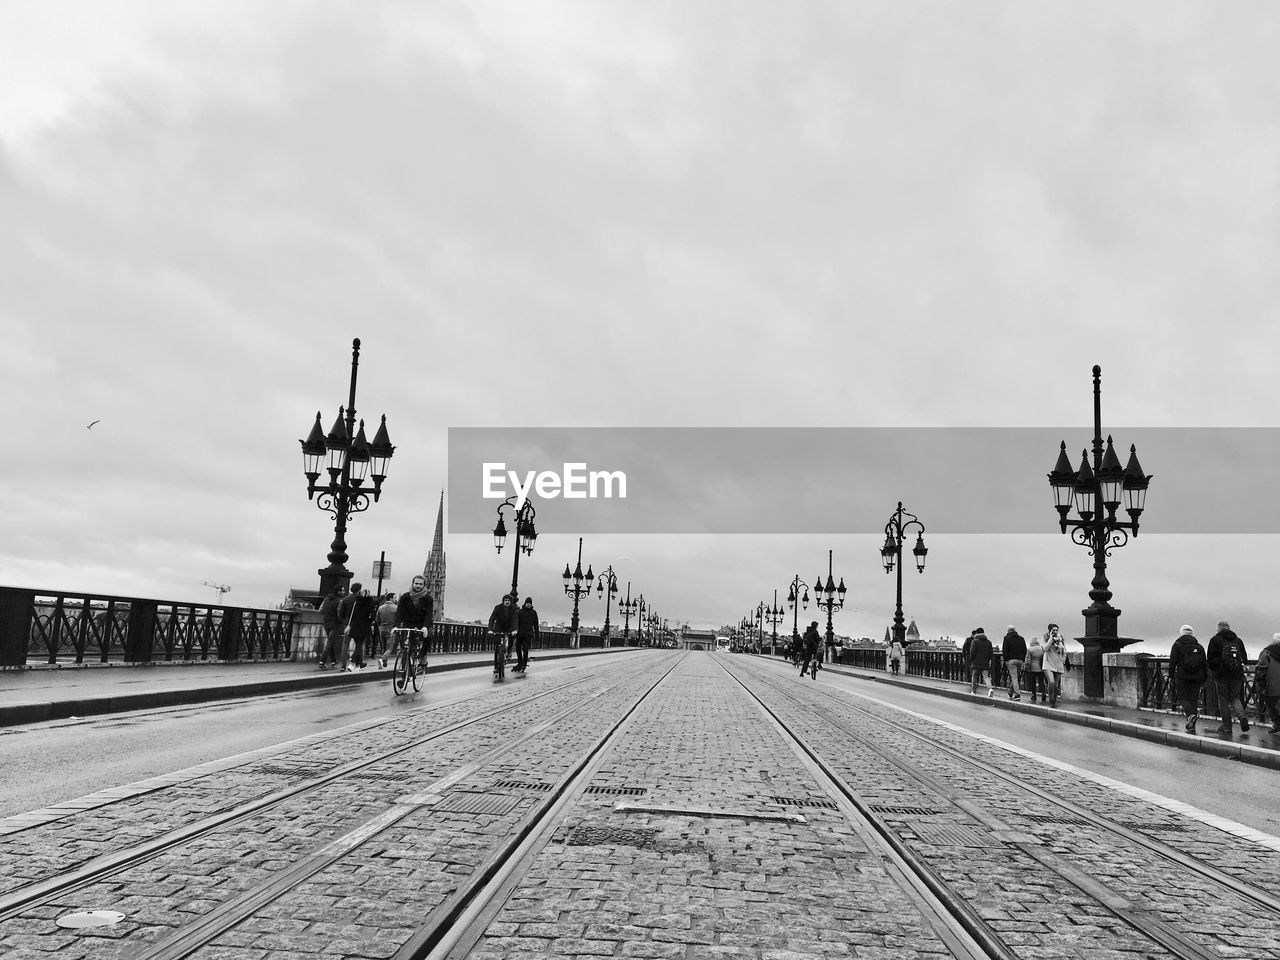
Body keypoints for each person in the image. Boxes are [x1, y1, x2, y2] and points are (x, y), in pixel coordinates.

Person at [1207, 620, 1250, 735]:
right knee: (1235, 697)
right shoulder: (1238, 640)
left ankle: (1227, 726)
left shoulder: (1214, 640)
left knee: (1223, 700)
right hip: (1236, 675)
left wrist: (1215, 670)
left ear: (1218, 629)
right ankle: (1242, 716)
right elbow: (1244, 659)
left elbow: (1210, 659)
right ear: (1229, 628)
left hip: (1221, 675)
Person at [1169, 624, 1208, 734]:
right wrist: (1205, 678)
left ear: (1181, 633)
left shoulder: (1177, 645)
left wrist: (1171, 676)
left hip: (1182, 676)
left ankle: (1190, 715)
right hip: (1197, 677)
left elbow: (1172, 662)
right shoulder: (1199, 646)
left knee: (1182, 697)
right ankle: (1192, 725)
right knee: (1193, 699)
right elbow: (1204, 664)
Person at [394, 575, 434, 669]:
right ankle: (404, 672)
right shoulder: (405, 597)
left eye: (420, 584)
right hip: (409, 624)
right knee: (407, 648)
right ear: (412, 584)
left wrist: (425, 627)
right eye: (416, 583)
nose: (418, 586)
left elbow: (429, 614)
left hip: (422, 624)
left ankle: (422, 655)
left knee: (429, 636)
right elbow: (399, 612)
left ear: (424, 586)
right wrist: (396, 626)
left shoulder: (428, 599)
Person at [337, 582, 376, 671]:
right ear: (359, 590)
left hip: (348, 624)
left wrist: (345, 621)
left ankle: (343, 665)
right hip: (358, 624)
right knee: (359, 644)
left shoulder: (345, 600)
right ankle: (359, 662)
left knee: (345, 644)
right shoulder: (360, 599)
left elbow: (341, 613)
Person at [1253, 633, 1280, 735]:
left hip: (1270, 684)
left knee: (1270, 704)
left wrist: (1260, 683)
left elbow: (1261, 668)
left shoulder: (1267, 652)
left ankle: (1277, 723)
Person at [317, 584, 347, 670]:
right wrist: (342, 621)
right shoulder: (340, 601)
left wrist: (328, 615)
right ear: (339, 591)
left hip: (326, 623)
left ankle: (334, 660)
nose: (344, 592)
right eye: (343, 590)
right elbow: (339, 613)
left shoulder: (326, 598)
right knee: (330, 642)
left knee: (331, 642)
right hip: (335, 624)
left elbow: (320, 610)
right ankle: (322, 661)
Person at [487, 593, 518, 678]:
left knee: (511, 639)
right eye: (505, 600)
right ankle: (496, 667)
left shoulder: (513, 609)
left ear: (510, 602)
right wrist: (490, 629)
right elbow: (492, 618)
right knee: (497, 648)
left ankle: (508, 652)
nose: (507, 602)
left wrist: (514, 630)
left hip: (509, 628)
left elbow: (515, 620)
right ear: (503, 601)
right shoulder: (497, 608)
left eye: (508, 600)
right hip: (499, 628)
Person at [1042, 624, 1067, 707]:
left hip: (1058, 663)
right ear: (1050, 631)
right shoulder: (1045, 637)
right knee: (1051, 682)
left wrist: (1063, 659)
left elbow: (1064, 650)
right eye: (1053, 630)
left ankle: (1054, 700)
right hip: (1048, 663)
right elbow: (1045, 649)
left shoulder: (1061, 638)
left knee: (1056, 685)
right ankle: (1051, 700)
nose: (1055, 632)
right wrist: (1050, 639)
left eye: (1057, 630)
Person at [1001, 625, 1026, 701]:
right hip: (1020, 660)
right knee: (1015, 677)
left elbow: (1005, 649)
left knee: (1014, 678)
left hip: (1011, 660)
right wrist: (1023, 659)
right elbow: (1024, 650)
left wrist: (1006, 660)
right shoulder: (1021, 638)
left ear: (1008, 630)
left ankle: (1017, 694)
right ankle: (1010, 693)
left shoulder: (1006, 638)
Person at [515, 597, 539, 674]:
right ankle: (520, 662)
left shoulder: (533, 613)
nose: (528, 604)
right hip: (519, 633)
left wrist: (537, 634)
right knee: (518, 648)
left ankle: (524, 664)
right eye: (527, 603)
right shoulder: (520, 612)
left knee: (525, 649)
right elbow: (516, 622)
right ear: (525, 603)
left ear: (531, 604)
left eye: (529, 603)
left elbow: (536, 624)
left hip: (528, 634)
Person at [375, 592, 398, 668]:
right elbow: (399, 619)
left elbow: (377, 619)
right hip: (391, 629)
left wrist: (380, 625)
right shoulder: (395, 608)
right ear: (391, 598)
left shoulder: (380, 608)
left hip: (382, 629)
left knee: (384, 647)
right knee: (390, 648)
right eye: (394, 597)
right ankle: (382, 659)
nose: (395, 599)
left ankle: (383, 665)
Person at [968, 627, 994, 697]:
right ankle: (990, 689)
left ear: (977, 633)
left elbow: (972, 652)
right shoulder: (988, 642)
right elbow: (991, 653)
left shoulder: (974, 641)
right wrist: (988, 660)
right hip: (985, 662)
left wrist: (971, 660)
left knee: (974, 676)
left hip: (976, 662)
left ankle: (973, 691)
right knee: (986, 677)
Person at [1025, 631, 1046, 703]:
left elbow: (1028, 660)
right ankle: (1044, 693)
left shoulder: (1030, 649)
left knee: (1033, 683)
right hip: (1041, 668)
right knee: (1041, 682)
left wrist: (1026, 668)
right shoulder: (1042, 649)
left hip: (1032, 668)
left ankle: (1034, 695)